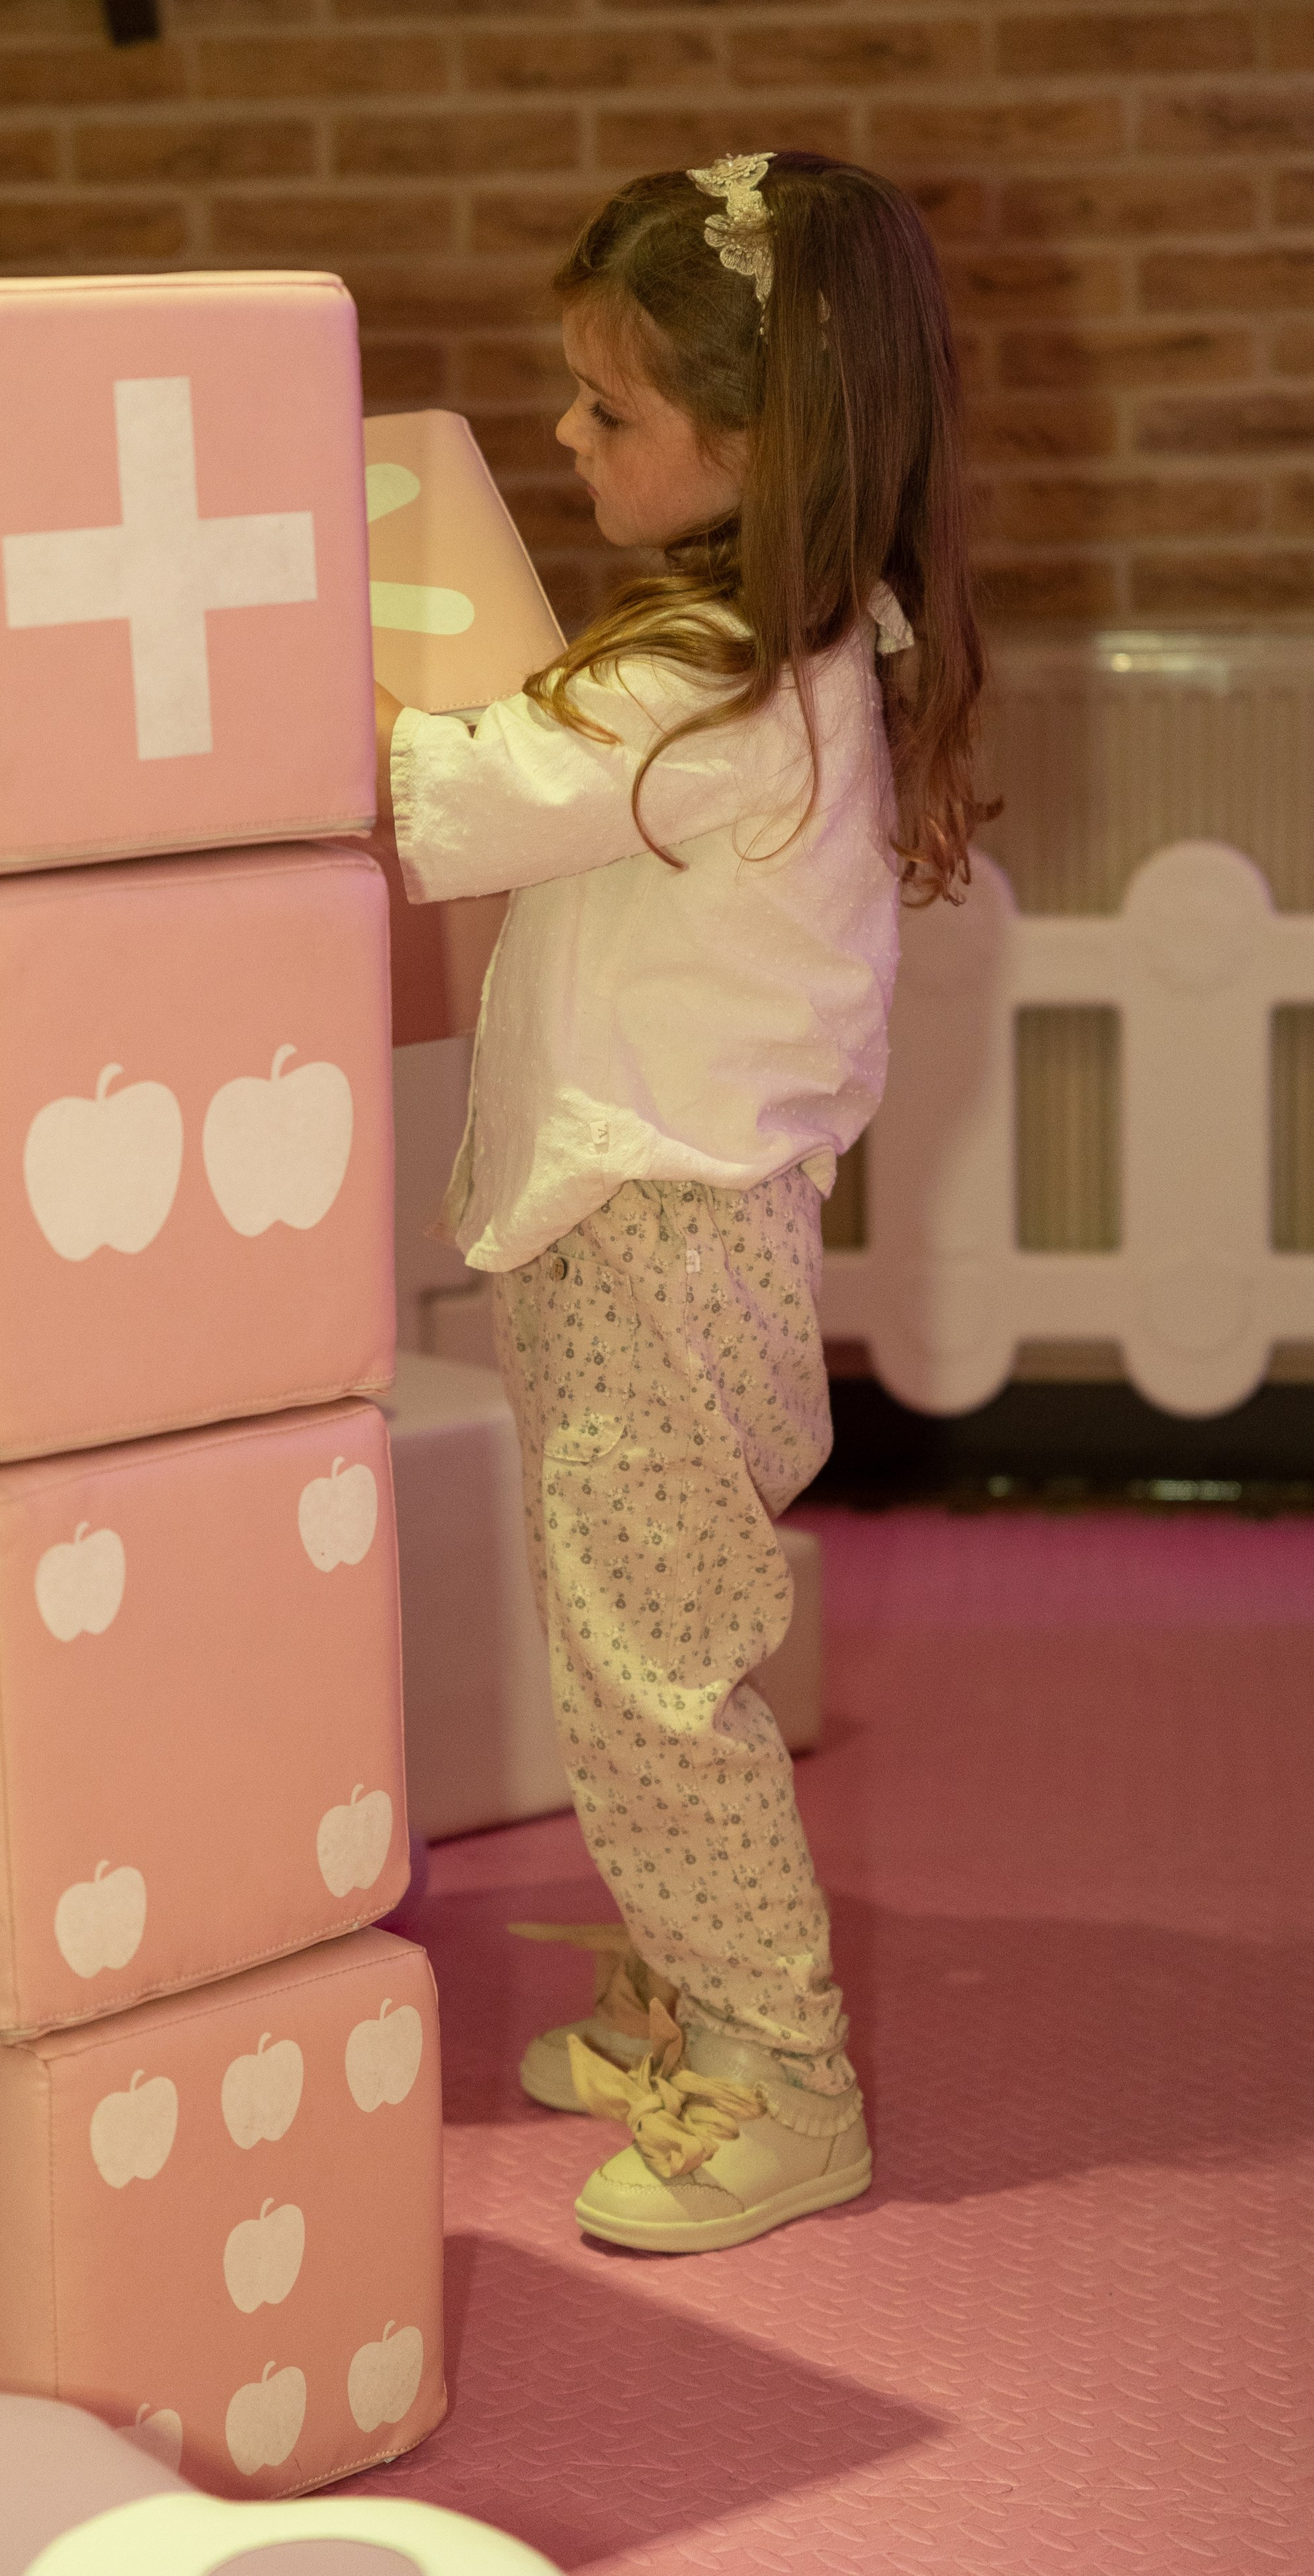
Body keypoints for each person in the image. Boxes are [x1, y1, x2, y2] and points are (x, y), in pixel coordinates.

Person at [374, 152, 988, 2253]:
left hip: (666, 1229)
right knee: (627, 1636)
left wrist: (299, 653)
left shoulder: (717, 689)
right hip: (640, 1219)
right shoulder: (754, 658)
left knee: (654, 1664)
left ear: (754, 444)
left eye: (608, 407)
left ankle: (779, 2070)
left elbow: (441, 799)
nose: (566, 434)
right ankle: (681, 1993)